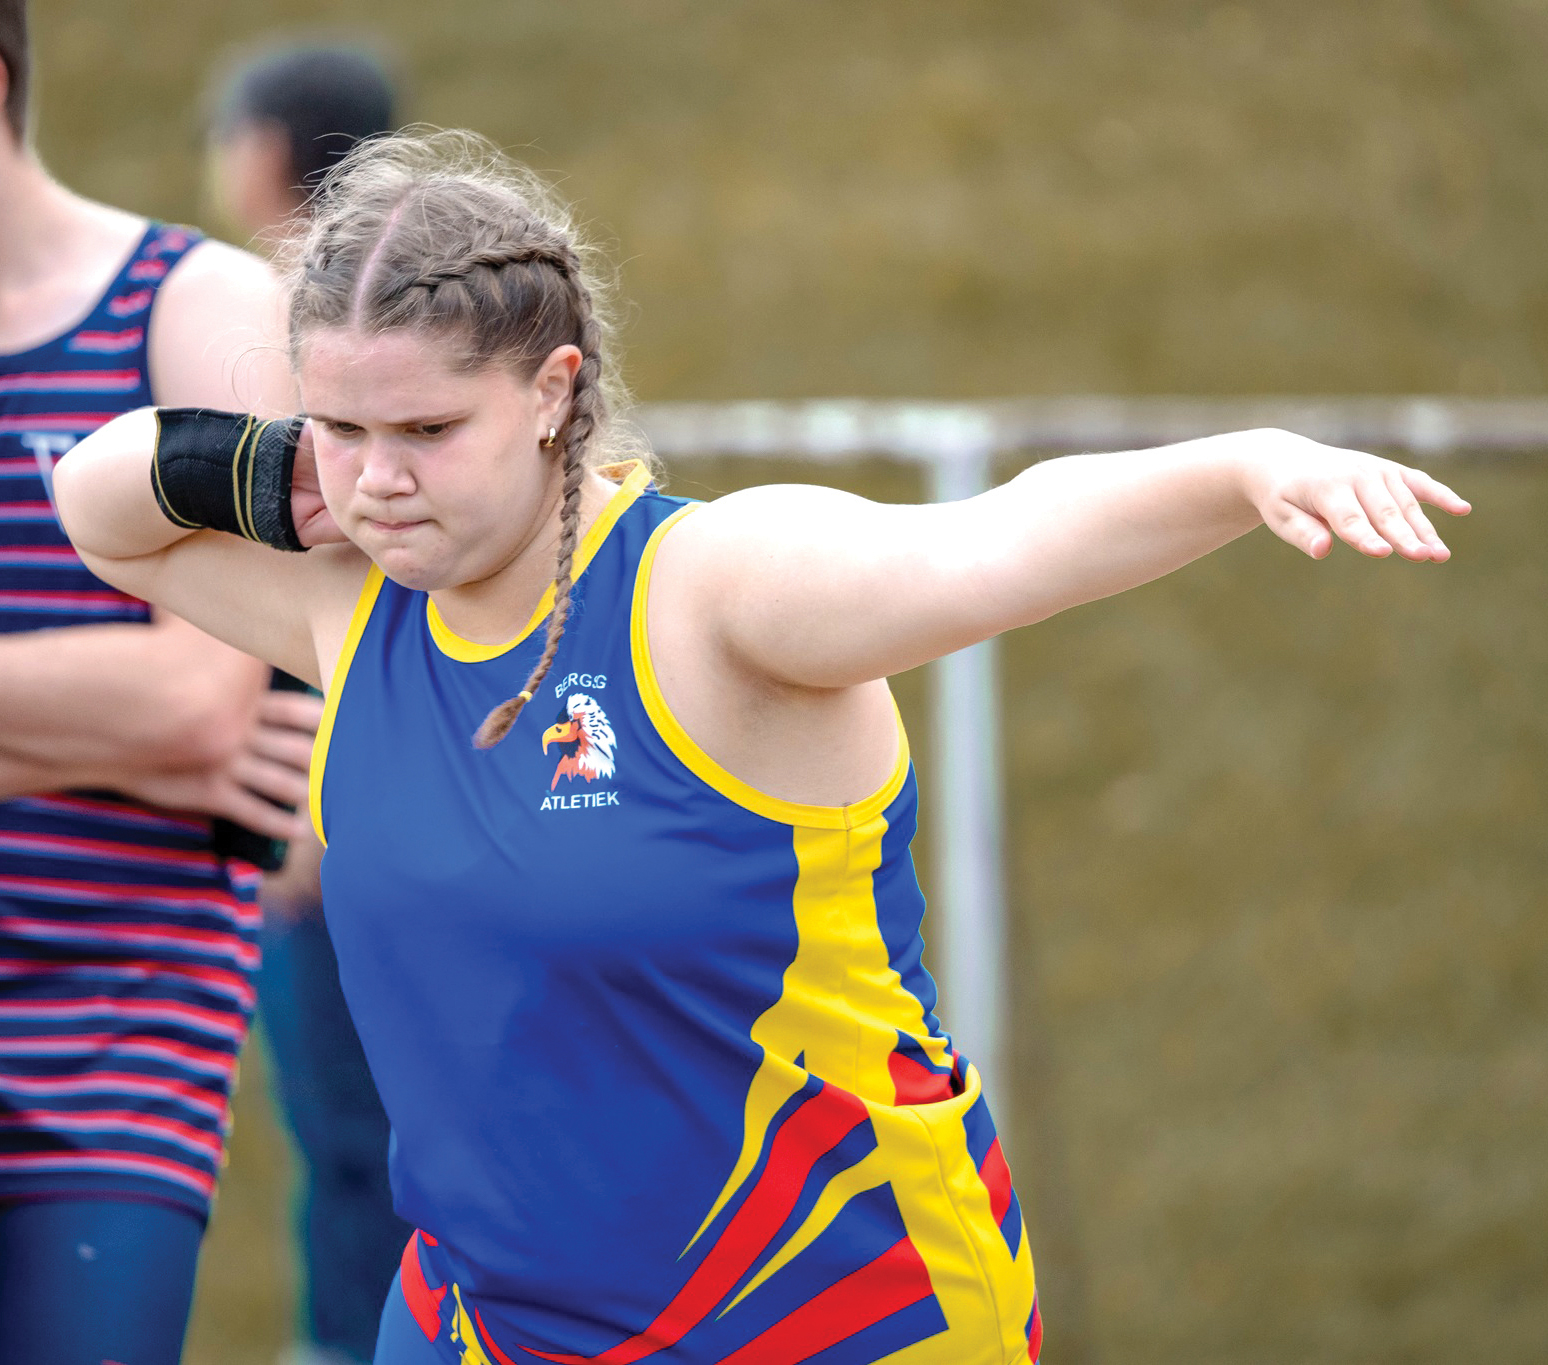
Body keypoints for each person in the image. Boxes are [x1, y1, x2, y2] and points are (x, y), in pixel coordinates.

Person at [54, 129, 1469, 1365]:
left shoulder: (711, 593)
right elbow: (96, 501)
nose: (379, 478)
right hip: (488, 1325)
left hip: (831, 1313)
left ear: (551, 391)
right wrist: (270, 468)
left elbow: (998, 539)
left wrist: (1243, 465)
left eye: (427, 427)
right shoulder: (352, 610)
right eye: (341, 427)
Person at [0, 3, 315, 1363]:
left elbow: (198, 705)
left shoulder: (200, 307)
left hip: (117, 1036)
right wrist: (109, 719)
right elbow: (182, 720)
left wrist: (169, 718)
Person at [205, 41, 411, 1365]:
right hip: (361, 793)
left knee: (358, 1145)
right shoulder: (419, 303)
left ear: (271, 150)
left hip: (326, 813)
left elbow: (325, 573)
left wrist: (313, 808)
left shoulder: (289, 323)